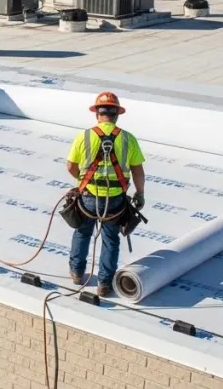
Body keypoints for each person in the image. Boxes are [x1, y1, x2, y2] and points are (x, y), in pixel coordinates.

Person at [65, 92, 146, 297]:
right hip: (115, 199)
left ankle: (77, 273)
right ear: (117, 115)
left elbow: (71, 166)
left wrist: (83, 183)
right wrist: (140, 194)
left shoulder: (84, 136)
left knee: (82, 232)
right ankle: (104, 284)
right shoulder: (128, 139)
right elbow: (137, 170)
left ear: (97, 114)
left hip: (88, 197)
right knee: (110, 239)